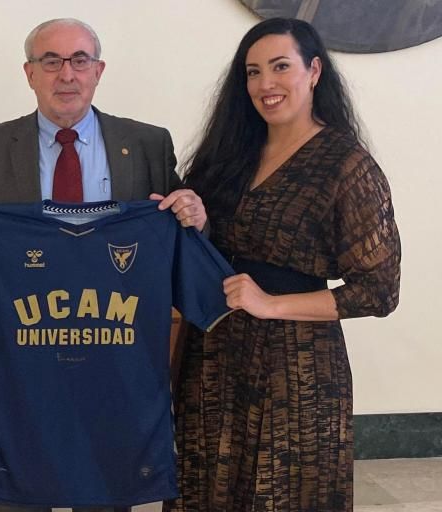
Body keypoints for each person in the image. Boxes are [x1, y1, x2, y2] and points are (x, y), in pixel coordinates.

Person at [0, 18, 206, 512]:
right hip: (24, 363)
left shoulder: (148, 144)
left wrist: (194, 216)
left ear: (98, 71)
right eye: (51, 61)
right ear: (29, 73)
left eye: (80, 60)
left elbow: (175, 238)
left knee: (106, 493)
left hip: (113, 359)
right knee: (20, 495)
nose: (67, 74)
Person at [167, 18, 401, 511]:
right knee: (207, 486)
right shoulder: (227, 153)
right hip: (211, 356)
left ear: (314, 71)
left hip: (294, 367)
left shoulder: (346, 165)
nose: (265, 84)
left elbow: (378, 290)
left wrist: (271, 304)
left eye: (280, 67)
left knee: (282, 492)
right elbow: (207, 247)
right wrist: (196, 218)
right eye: (253, 72)